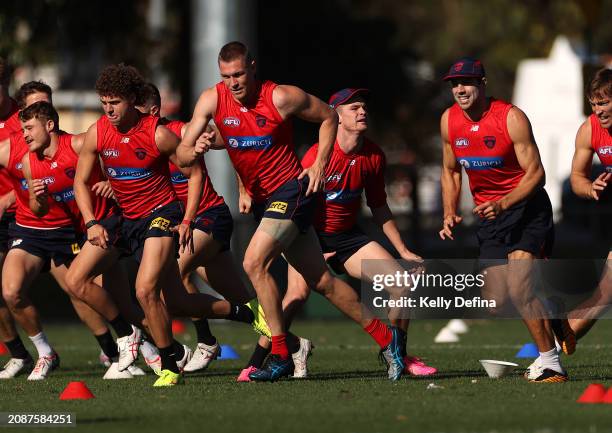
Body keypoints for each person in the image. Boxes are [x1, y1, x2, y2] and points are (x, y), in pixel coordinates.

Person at [177, 41, 406, 381]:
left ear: (253, 67)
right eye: (226, 76)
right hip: (264, 203)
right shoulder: (212, 99)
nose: (233, 83)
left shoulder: (280, 97)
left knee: (254, 262)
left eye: (239, 74)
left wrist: (319, 166)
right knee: (322, 281)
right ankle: (388, 340)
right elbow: (182, 156)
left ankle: (281, 352)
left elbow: (329, 116)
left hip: (291, 192)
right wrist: (192, 149)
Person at [74, 64, 257, 386]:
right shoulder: (98, 132)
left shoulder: (158, 132)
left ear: (133, 100)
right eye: (104, 103)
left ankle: (169, 364)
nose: (108, 110)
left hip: (162, 214)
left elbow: (196, 170)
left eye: (114, 102)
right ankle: (249, 315)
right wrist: (91, 222)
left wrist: (186, 220)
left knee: (145, 289)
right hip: (127, 220)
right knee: (83, 281)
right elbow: (80, 181)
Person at [237, 88, 437, 380]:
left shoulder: (374, 156)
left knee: (402, 285)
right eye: (353, 107)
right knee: (294, 296)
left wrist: (403, 251)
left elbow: (379, 207)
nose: (362, 112)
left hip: (346, 238)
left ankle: (398, 355)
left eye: (364, 107)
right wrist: (308, 242)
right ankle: (257, 361)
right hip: (309, 233)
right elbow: (297, 201)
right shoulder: (317, 155)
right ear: (336, 116)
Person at [438, 58, 570, 383]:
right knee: (496, 302)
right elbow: (450, 170)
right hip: (490, 217)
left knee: (520, 288)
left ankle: (550, 363)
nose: (460, 89)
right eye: (455, 84)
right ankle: (551, 309)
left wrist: (505, 202)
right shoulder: (449, 121)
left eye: (467, 82)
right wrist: (449, 211)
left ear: (483, 83)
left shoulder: (511, 117)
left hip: (526, 210)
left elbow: (536, 174)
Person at [135, 82, 270, 374]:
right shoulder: (138, 143)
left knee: (173, 274)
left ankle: (204, 342)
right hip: (182, 225)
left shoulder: (182, 131)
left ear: (153, 111)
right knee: (245, 303)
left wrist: (243, 185)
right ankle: (294, 344)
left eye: (136, 110)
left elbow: (233, 140)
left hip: (209, 217)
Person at [526, 68, 612, 379]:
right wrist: (589, 188)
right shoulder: (589, 129)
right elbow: (576, 177)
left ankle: (560, 330)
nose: (597, 110)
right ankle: (558, 336)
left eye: (603, 103)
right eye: (593, 103)